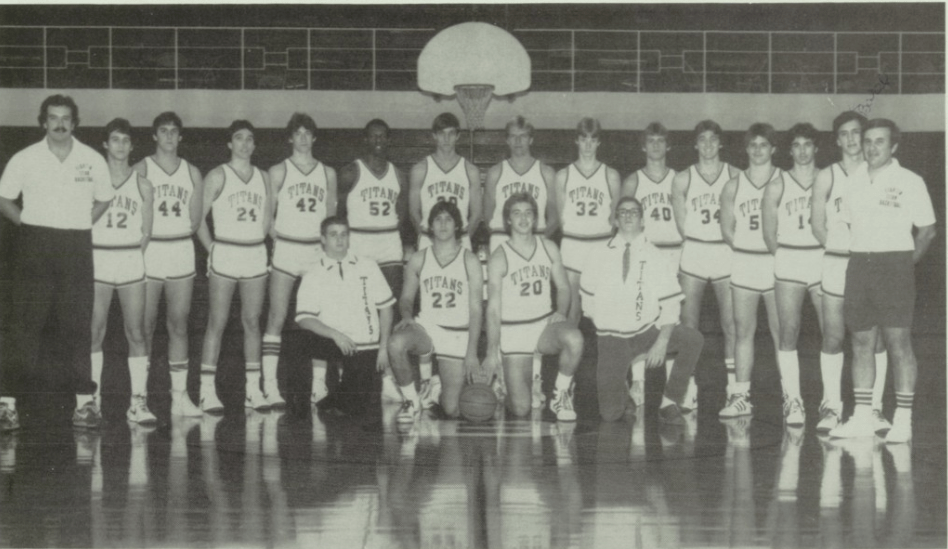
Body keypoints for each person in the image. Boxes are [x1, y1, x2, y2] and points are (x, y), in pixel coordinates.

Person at [0, 94, 113, 431]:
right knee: (24, 325)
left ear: (74, 123)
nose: (60, 124)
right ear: (43, 122)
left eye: (66, 118)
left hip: (76, 245)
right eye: (53, 117)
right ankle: (6, 405)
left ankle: (84, 404)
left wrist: (79, 223)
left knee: (77, 325)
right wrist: (29, 225)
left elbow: (105, 199)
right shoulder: (25, 158)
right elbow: (4, 198)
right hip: (34, 245)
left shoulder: (92, 159)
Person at [830, 118, 936, 443]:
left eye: (880, 141)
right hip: (859, 265)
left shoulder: (910, 181)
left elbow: (927, 231)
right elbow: (849, 224)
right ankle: (863, 417)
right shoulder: (852, 181)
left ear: (894, 146)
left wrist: (904, 263)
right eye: (868, 141)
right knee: (861, 342)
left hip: (895, 266)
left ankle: (903, 420)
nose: (872, 147)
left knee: (898, 343)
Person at [580, 196, 703, 424]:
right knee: (610, 414)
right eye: (623, 212)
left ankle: (670, 402)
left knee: (692, 339)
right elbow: (587, 302)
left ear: (643, 220)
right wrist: (610, 327)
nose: (628, 215)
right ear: (615, 220)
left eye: (634, 212)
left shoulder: (656, 255)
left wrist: (661, 342)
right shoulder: (597, 254)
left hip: (646, 334)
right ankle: (624, 391)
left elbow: (671, 303)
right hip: (612, 339)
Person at [810, 111, 889, 433]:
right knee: (833, 336)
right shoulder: (827, 176)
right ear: (837, 140)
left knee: (874, 339)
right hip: (837, 262)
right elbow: (817, 224)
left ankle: (873, 409)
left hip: (871, 264)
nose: (851, 139)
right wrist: (839, 248)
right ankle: (831, 406)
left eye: (856, 132)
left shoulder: (880, 173)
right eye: (844, 134)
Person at [483, 192, 583, 421]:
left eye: (528, 213)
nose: (523, 218)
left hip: (542, 325)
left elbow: (564, 287)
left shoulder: (548, 247)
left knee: (574, 338)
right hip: (514, 330)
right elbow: (494, 310)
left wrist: (560, 311)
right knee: (521, 408)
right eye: (517, 213)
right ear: (508, 219)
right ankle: (505, 385)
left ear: (535, 218)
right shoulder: (499, 257)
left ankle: (560, 394)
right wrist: (491, 351)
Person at [262, 113, 337, 408]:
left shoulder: (327, 173)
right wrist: (279, 240)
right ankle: (270, 386)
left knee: (320, 318)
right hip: (287, 249)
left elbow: (331, 218)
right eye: (298, 133)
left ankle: (319, 385)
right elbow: (268, 217)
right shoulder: (278, 171)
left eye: (308, 133)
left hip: (316, 252)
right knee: (276, 316)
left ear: (314, 138)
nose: (303, 138)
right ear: (290, 138)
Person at [197, 120, 272, 412]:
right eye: (239, 138)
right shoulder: (217, 175)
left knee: (252, 322)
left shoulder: (264, 177)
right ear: (230, 143)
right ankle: (206, 391)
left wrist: (260, 240)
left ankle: (253, 390)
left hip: (254, 253)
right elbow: (198, 220)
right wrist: (212, 248)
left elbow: (267, 217)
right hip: (226, 251)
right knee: (217, 322)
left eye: (250, 138)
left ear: (254, 145)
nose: (245, 143)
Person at [134, 111, 205, 417]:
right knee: (145, 325)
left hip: (180, 250)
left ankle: (179, 397)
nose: (169, 136)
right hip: (150, 251)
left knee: (178, 324)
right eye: (163, 131)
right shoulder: (141, 168)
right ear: (154, 136)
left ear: (180, 137)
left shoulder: (192, 172)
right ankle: (140, 396)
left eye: (174, 131)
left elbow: (195, 219)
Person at [387, 201, 484, 423]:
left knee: (452, 409)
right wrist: (407, 315)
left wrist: (471, 352)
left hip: (456, 333)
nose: (443, 224)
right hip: (427, 327)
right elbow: (406, 298)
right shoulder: (419, 258)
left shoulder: (469, 260)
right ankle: (411, 401)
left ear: (457, 225)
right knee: (395, 343)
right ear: (430, 226)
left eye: (448, 219)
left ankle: (435, 389)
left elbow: (476, 309)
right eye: (438, 219)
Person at [293, 216, 395, 417]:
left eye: (343, 234)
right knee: (298, 340)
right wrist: (335, 335)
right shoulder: (313, 272)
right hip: (333, 341)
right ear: (323, 239)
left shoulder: (368, 266)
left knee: (359, 406)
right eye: (333, 235)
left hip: (364, 345)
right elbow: (304, 318)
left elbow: (386, 308)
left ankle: (330, 401)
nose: (339, 239)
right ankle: (314, 388)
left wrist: (383, 348)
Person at [337, 119, 408, 404]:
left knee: (388, 311)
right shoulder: (350, 172)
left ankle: (387, 377)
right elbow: (339, 213)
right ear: (365, 140)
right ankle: (348, 375)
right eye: (373, 136)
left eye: (382, 136)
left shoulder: (398, 175)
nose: (378, 140)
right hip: (360, 244)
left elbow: (401, 215)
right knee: (355, 311)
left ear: (388, 140)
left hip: (389, 245)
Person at [90, 118, 156, 424]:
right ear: (105, 144)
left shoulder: (143, 184)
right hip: (98, 259)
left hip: (129, 259)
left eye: (125, 140)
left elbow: (146, 232)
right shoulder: (92, 180)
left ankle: (138, 402)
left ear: (132, 146)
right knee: (94, 332)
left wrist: (129, 255)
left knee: (136, 332)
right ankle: (92, 400)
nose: (120, 145)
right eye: (115, 139)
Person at [670, 120, 739, 411]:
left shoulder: (735, 175)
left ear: (720, 143)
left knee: (732, 324)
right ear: (695, 144)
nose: (708, 145)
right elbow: (681, 225)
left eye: (713, 139)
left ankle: (735, 388)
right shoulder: (683, 178)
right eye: (702, 139)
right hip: (696, 251)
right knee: (688, 326)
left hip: (725, 251)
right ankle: (688, 387)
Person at [761, 122, 825, 426]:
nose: (802, 151)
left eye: (807, 145)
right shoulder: (778, 184)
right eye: (796, 145)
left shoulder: (828, 179)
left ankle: (831, 402)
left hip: (822, 259)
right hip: (789, 259)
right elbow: (768, 233)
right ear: (789, 151)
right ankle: (793, 399)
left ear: (816, 148)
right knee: (789, 330)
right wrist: (786, 257)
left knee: (831, 331)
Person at [718, 123, 781, 419]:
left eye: (763, 145)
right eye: (753, 145)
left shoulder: (783, 180)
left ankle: (791, 396)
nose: (758, 150)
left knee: (781, 333)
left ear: (773, 149)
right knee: (743, 331)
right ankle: (741, 396)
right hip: (745, 263)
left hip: (775, 263)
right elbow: (727, 230)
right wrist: (747, 248)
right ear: (746, 149)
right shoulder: (733, 185)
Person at [623, 122, 682, 407]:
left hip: (675, 252)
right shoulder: (633, 181)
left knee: (674, 318)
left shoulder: (680, 179)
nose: (656, 146)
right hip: (645, 253)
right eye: (651, 141)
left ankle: (675, 386)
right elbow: (623, 222)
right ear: (643, 146)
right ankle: (638, 382)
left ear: (668, 145)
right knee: (639, 316)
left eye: (661, 141)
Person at [555, 117, 621, 327]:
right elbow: (561, 218)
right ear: (576, 140)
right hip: (573, 244)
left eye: (593, 140)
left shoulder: (611, 175)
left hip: (600, 244)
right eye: (584, 139)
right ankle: (570, 347)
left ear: (599, 142)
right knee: (572, 310)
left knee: (602, 308)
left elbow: (615, 218)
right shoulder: (563, 175)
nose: (588, 145)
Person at [483, 116, 558, 251]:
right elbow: (488, 218)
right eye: (513, 136)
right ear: (507, 140)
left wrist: (538, 241)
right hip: (502, 239)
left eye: (523, 136)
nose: (518, 141)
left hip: (535, 239)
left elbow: (555, 218)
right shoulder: (495, 173)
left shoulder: (547, 173)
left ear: (531, 140)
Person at [409, 112, 482, 251]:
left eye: (451, 133)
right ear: (434, 136)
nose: (446, 138)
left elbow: (477, 214)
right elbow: (413, 212)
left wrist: (462, 237)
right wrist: (427, 236)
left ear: (458, 136)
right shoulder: (420, 169)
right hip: (428, 239)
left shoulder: (470, 170)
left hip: (460, 240)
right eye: (442, 133)